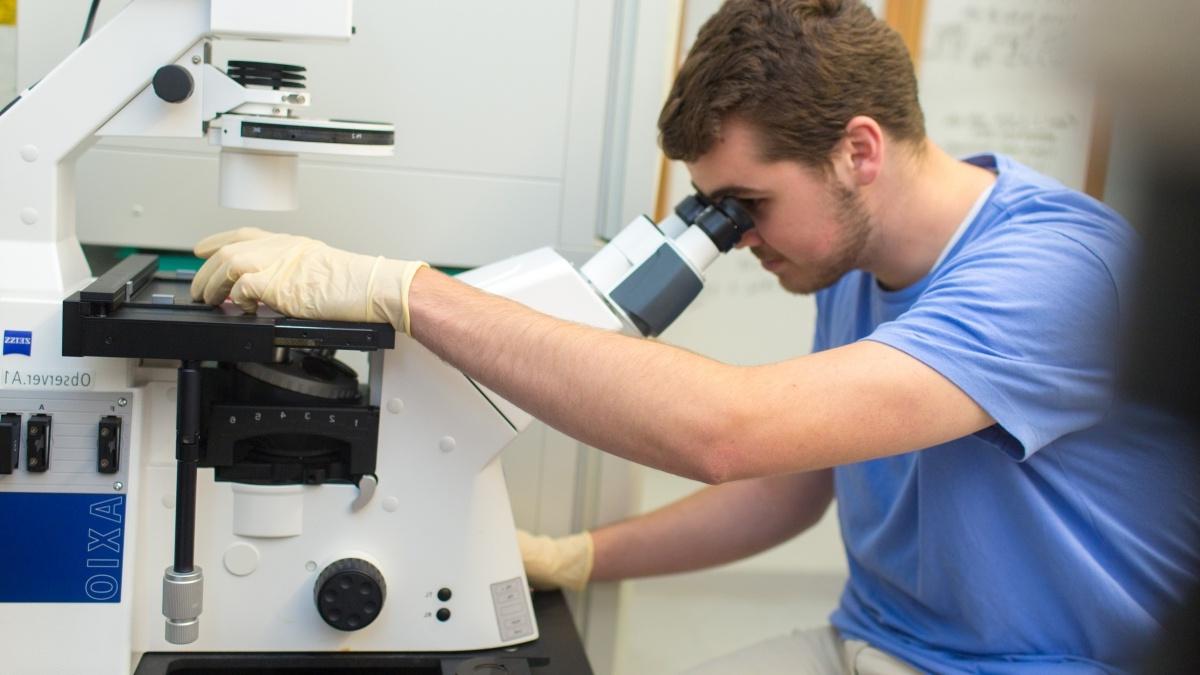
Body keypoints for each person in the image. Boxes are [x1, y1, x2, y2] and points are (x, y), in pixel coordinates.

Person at [189, 1, 1199, 672]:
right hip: (880, 646)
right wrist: (573, 556)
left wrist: (403, 291)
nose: (735, 237)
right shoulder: (858, 263)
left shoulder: (1055, 273)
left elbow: (732, 432)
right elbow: (787, 486)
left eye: (744, 203)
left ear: (858, 150)